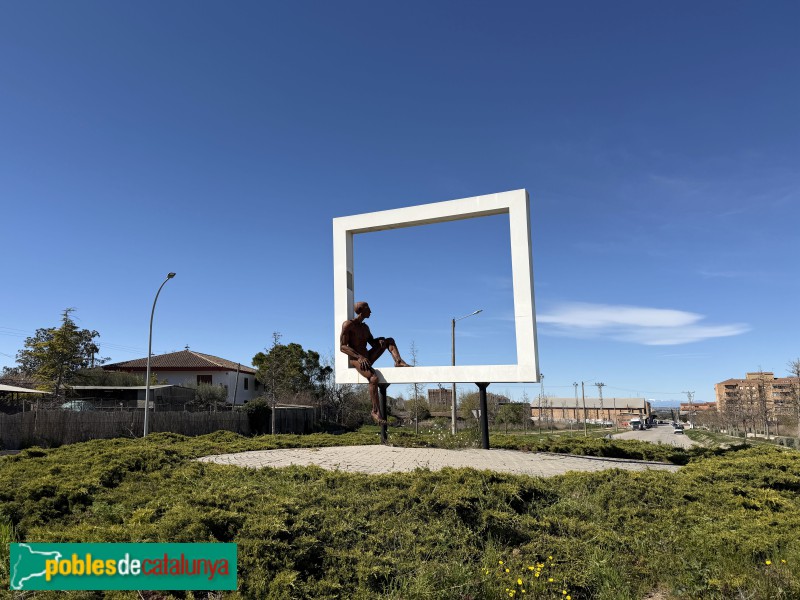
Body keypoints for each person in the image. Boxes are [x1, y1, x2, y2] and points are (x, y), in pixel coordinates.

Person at [340, 301, 410, 423]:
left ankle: (398, 361)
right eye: (369, 309)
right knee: (373, 379)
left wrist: (380, 341)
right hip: (357, 360)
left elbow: (372, 343)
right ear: (361, 310)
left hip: (368, 357)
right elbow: (343, 347)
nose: (371, 312)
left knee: (389, 340)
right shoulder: (348, 325)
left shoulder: (365, 327)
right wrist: (359, 357)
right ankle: (375, 411)